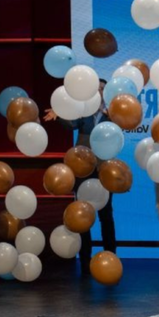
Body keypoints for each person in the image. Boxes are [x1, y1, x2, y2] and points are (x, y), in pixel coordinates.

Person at [43, 78, 115, 274]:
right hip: (83, 168)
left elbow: (124, 128)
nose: (99, 92)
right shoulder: (84, 111)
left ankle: (111, 255)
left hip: (104, 170)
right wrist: (59, 114)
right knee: (82, 213)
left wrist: (114, 118)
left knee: (106, 215)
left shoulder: (113, 113)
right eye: (97, 89)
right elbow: (72, 123)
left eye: (102, 89)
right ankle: (85, 259)